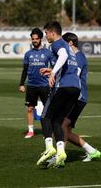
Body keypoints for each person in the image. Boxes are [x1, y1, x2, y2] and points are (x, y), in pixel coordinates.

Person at [37, 21, 81, 168]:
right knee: (57, 121)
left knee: (45, 116)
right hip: (75, 88)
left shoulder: (57, 44)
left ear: (52, 32)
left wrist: (53, 73)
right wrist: (52, 70)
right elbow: (71, 66)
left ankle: (49, 148)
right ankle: (61, 151)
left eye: (45, 34)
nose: (45, 37)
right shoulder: (69, 47)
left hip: (63, 86)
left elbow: (61, 55)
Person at [60, 32, 100, 162]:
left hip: (77, 97)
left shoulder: (78, 57)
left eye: (63, 43)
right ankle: (92, 151)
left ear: (70, 43)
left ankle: (61, 156)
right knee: (66, 130)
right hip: (74, 96)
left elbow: (74, 75)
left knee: (62, 126)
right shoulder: (73, 56)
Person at [19, 28, 54, 138]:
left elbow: (54, 68)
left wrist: (52, 77)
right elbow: (25, 70)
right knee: (30, 108)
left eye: (36, 39)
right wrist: (21, 84)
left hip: (44, 85)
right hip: (31, 85)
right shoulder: (28, 54)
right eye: (33, 39)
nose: (34, 40)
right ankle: (30, 131)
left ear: (40, 39)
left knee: (47, 109)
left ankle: (48, 131)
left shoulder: (48, 53)